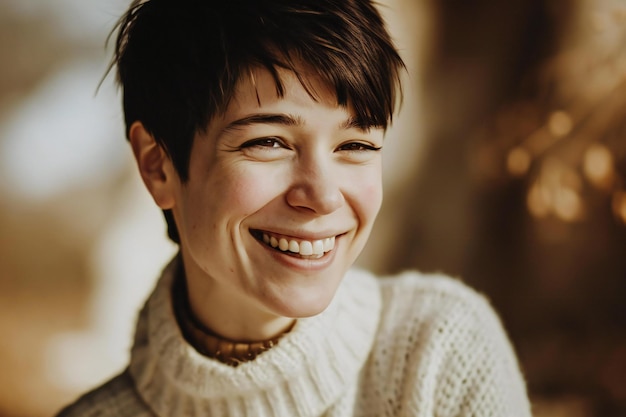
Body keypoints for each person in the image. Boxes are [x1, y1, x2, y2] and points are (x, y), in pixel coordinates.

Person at [56, 0, 532, 415]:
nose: (323, 195)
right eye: (269, 142)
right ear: (158, 167)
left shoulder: (438, 353)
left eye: (356, 146)